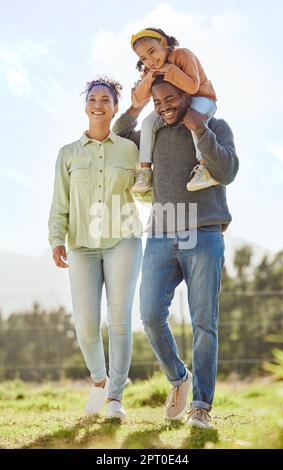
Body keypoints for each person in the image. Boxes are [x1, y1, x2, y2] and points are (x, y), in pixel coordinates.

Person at [113, 75, 239, 428]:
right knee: (150, 314)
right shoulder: (152, 133)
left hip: (205, 233)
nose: (164, 106)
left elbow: (228, 170)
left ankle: (201, 406)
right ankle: (178, 377)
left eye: (171, 99)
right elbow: (120, 134)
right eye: (158, 102)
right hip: (162, 235)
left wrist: (200, 129)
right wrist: (138, 104)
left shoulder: (216, 126)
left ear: (187, 94)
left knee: (204, 324)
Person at [48, 77, 142, 420]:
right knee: (86, 323)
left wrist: (146, 182)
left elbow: (144, 192)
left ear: (115, 107)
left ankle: (116, 397)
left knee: (119, 320)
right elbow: (60, 202)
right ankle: (100, 381)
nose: (98, 104)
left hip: (124, 239)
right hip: (82, 245)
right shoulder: (68, 153)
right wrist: (56, 239)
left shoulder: (130, 149)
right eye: (93, 99)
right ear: (86, 105)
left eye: (105, 99)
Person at [130, 27, 218, 193]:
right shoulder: (150, 69)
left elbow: (192, 87)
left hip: (202, 98)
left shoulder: (183, 55)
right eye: (144, 58)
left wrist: (168, 70)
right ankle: (146, 171)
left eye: (152, 51)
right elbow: (137, 100)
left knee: (192, 119)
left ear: (163, 43)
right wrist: (149, 77)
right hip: (173, 105)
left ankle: (205, 169)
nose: (150, 60)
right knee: (147, 122)